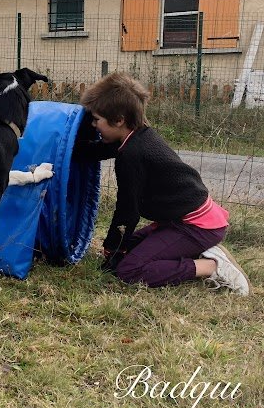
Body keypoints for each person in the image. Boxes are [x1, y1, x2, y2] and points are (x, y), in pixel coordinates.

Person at [74, 72, 250, 295]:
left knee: (129, 269)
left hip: (196, 227)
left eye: (97, 119)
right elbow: (98, 150)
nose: (93, 124)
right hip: (180, 221)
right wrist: (68, 147)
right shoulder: (135, 136)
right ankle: (197, 253)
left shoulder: (133, 154)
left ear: (119, 120)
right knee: (129, 247)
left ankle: (212, 266)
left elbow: (128, 211)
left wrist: (112, 248)